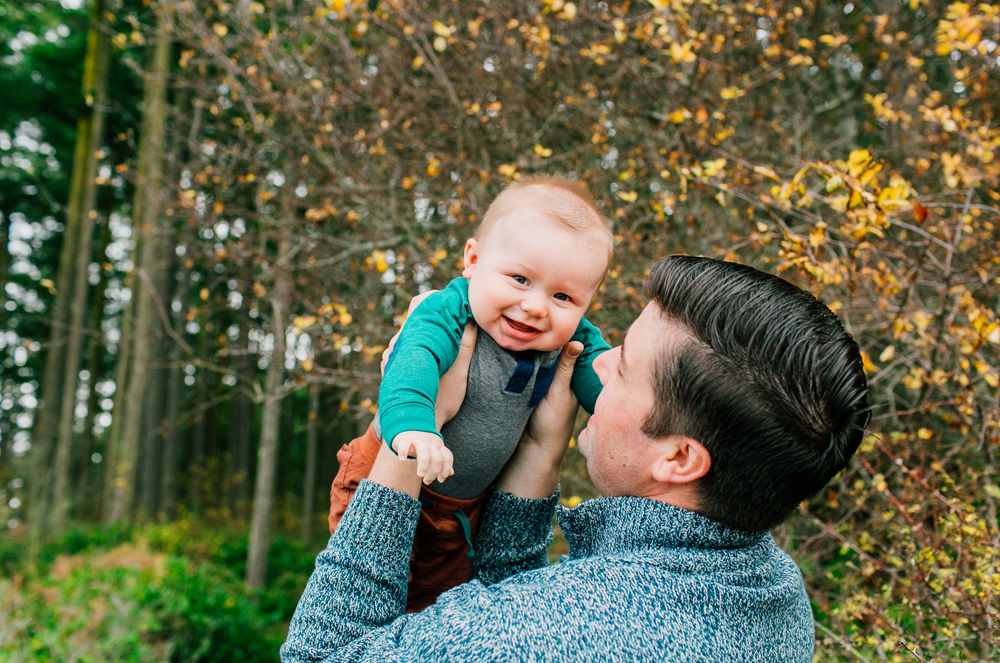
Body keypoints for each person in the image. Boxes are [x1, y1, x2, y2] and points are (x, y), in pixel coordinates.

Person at [285, 255, 870, 662]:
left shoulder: (555, 630)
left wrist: (407, 440)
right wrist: (539, 456)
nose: (600, 363)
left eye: (628, 365)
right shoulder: (777, 595)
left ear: (679, 457)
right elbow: (510, 614)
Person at [328, 175, 613, 610]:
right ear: (473, 260)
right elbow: (415, 357)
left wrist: (632, 419)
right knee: (370, 592)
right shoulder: (451, 310)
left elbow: (606, 387)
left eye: (563, 296)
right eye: (519, 278)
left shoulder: (573, 339)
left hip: (466, 511)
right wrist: (414, 425)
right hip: (388, 478)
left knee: (429, 610)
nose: (536, 306)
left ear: (586, 301)